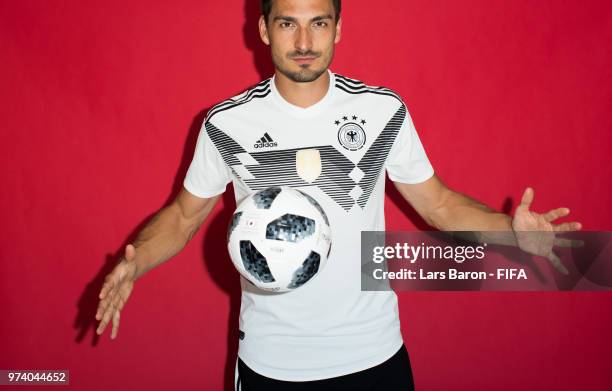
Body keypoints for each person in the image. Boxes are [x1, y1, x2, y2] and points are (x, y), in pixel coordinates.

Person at [95, 0, 582, 389]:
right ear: (264, 29)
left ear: (338, 28)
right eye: (288, 23)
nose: (304, 41)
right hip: (273, 362)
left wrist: (512, 235)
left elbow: (439, 204)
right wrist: (135, 263)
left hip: (374, 355)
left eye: (319, 23)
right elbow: (182, 218)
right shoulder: (227, 124)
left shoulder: (381, 111)